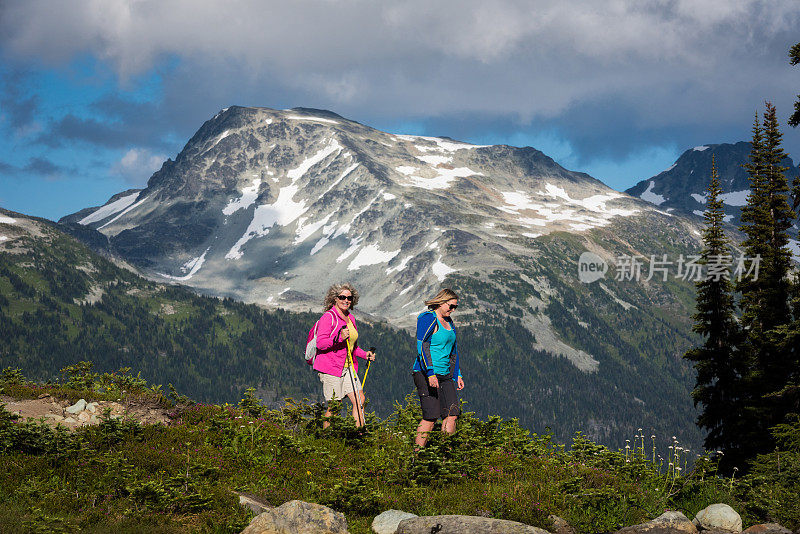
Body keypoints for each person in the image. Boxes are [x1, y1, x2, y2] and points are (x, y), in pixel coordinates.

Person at [313, 282, 375, 428]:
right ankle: (326, 440)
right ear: (335, 298)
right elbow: (320, 344)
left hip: (348, 367)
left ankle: (358, 435)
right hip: (330, 367)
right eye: (342, 297)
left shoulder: (350, 318)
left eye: (349, 298)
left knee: (360, 400)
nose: (346, 300)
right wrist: (339, 338)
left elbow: (352, 347)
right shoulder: (329, 317)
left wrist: (365, 354)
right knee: (335, 406)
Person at [412, 288, 465, 448]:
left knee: (452, 413)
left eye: (455, 307)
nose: (452, 310)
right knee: (431, 416)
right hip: (425, 373)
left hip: (446, 374)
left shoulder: (449, 322)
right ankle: (417, 455)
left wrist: (457, 374)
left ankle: (445, 454)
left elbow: (453, 350)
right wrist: (430, 373)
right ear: (441, 302)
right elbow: (422, 347)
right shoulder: (428, 318)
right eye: (451, 306)